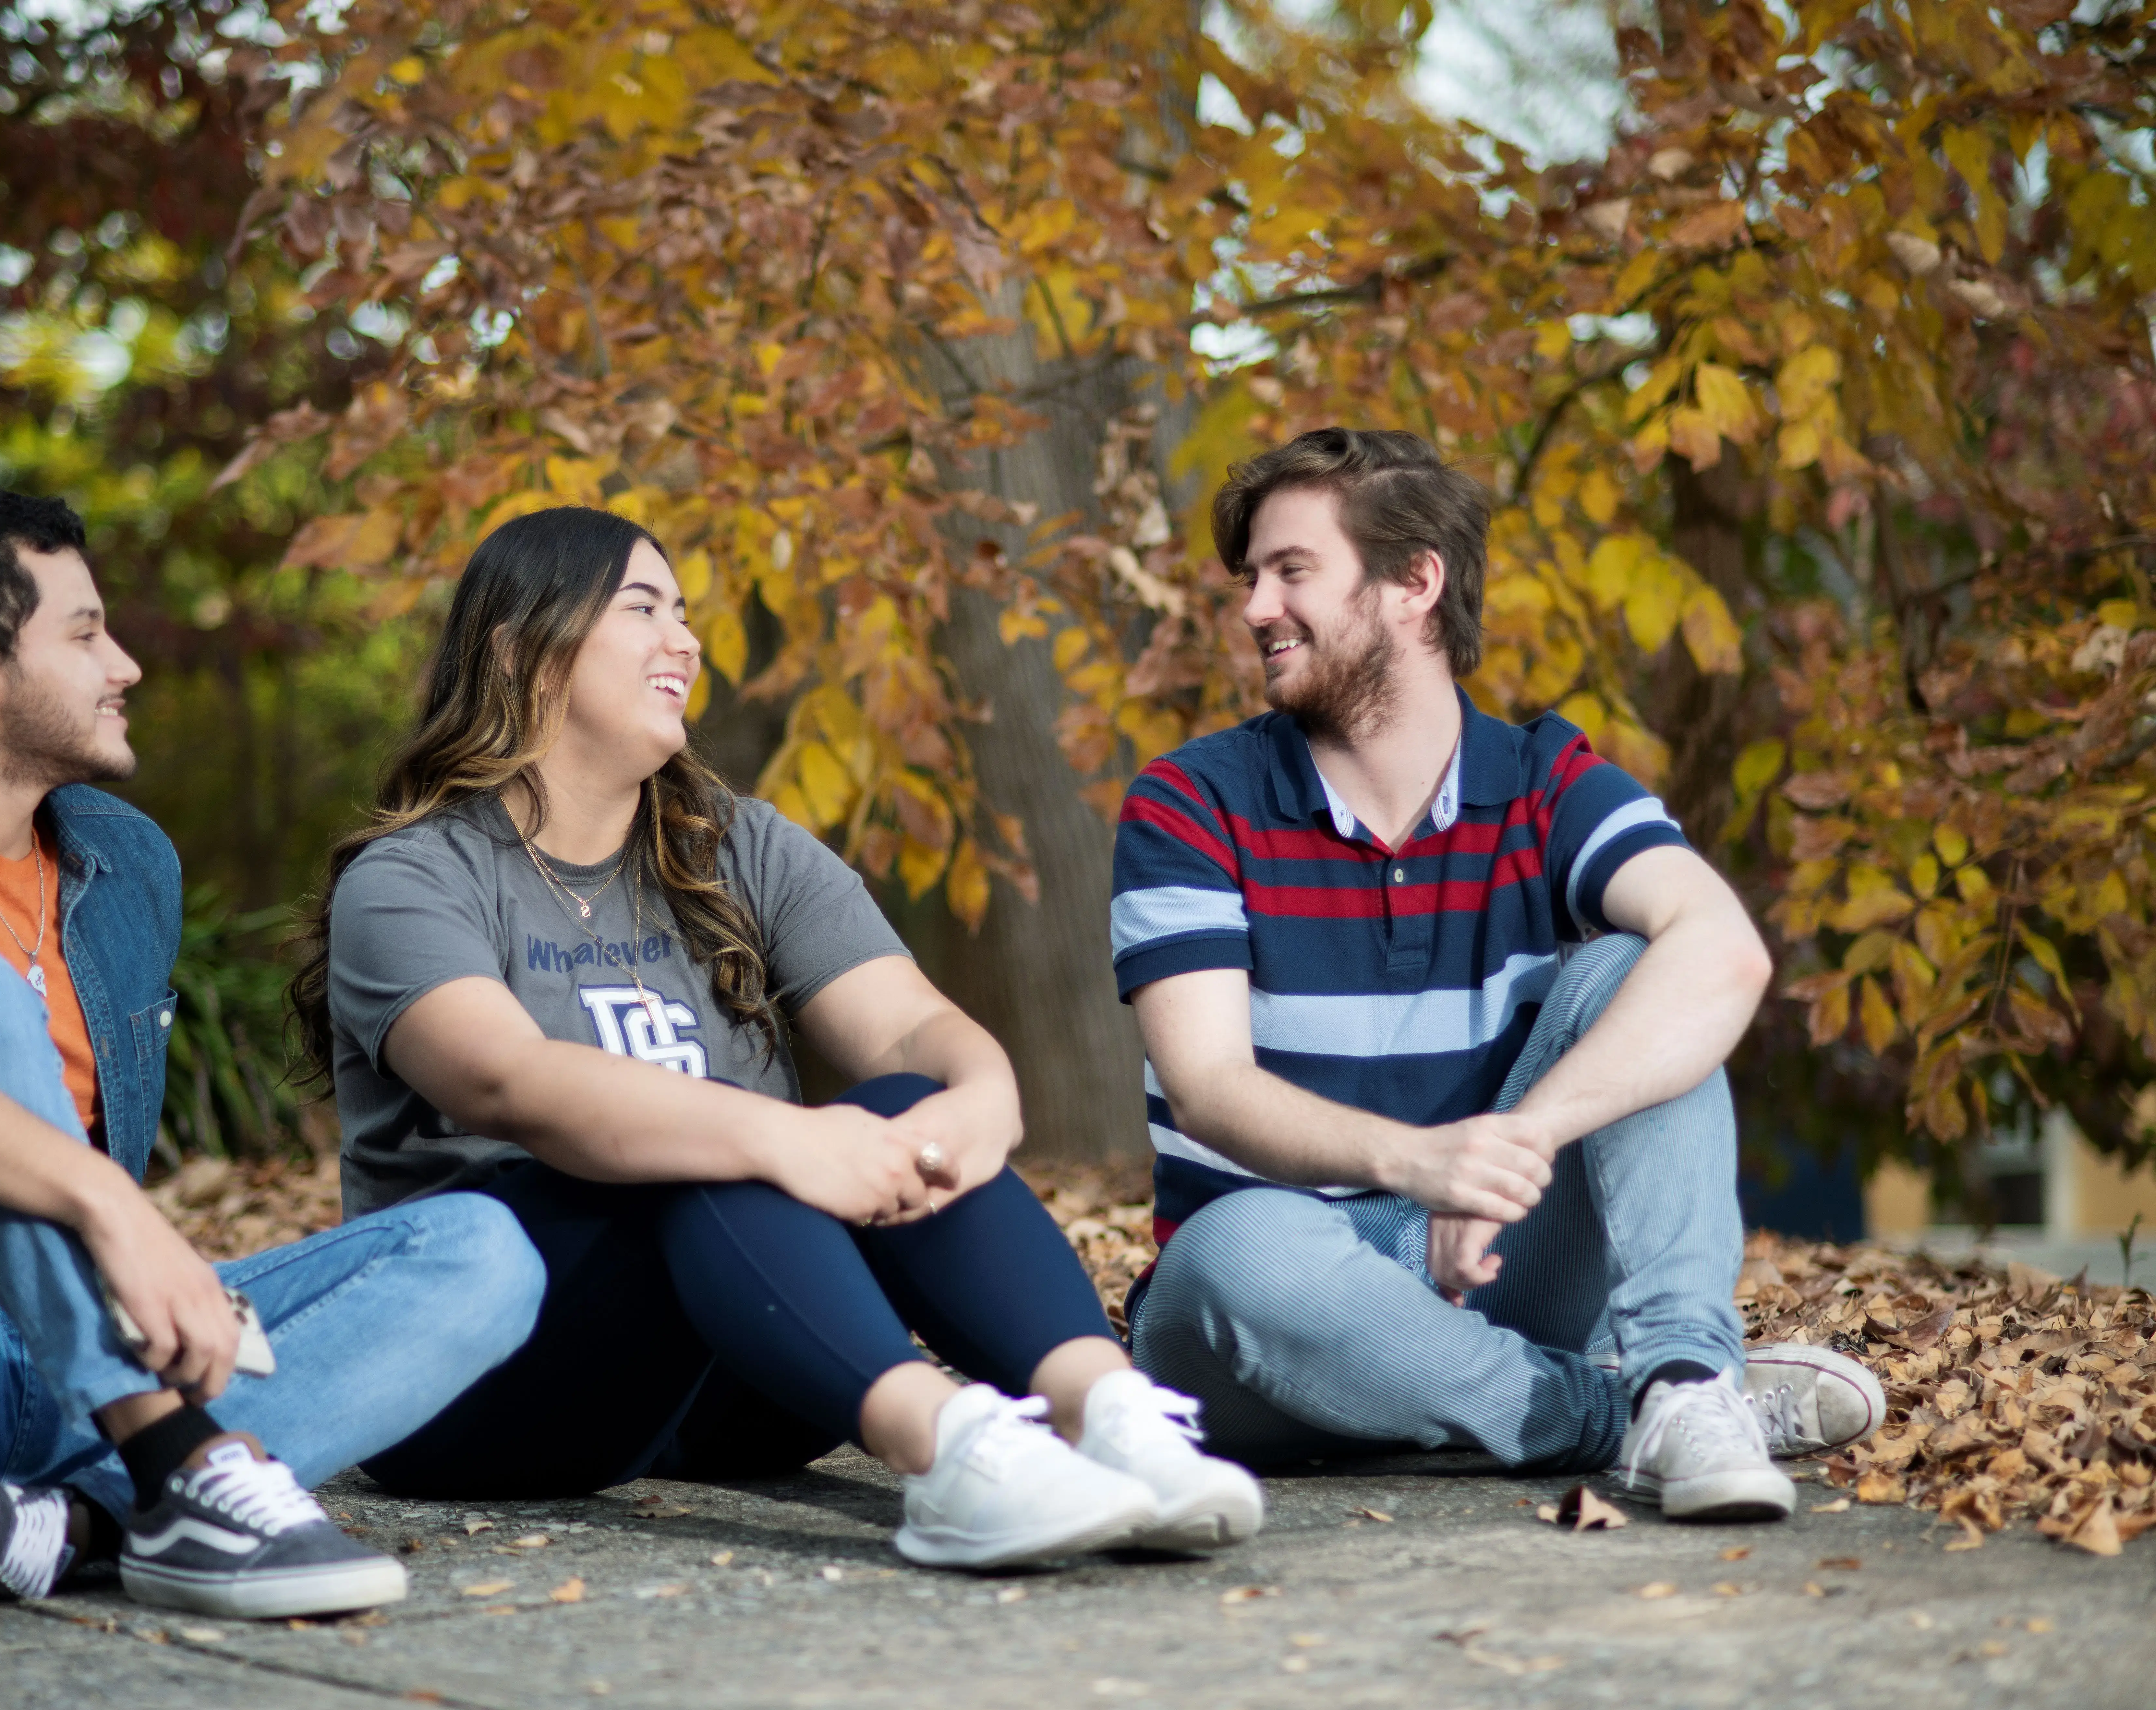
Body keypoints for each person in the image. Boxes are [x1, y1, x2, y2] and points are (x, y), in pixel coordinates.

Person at [296, 505, 1260, 1569]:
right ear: (524, 649)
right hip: (490, 1391)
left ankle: (1113, 1419)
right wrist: (781, 1141)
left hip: (749, 1362)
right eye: (643, 607)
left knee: (888, 1107)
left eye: (686, 613)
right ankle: (944, 1450)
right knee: (698, 1140)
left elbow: (912, 1029)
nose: (687, 641)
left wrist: (981, 1094)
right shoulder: (413, 878)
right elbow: (504, 1082)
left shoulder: (740, 848)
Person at [0, 490, 544, 1618]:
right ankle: (182, 1472)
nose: (125, 665)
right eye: (85, 634)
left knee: (484, 1254)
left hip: (51, 1399)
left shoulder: (125, 866)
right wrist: (111, 1205)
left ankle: (75, 1522)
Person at [1111, 430, 1884, 1521]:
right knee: (1236, 1252)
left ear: (1412, 583)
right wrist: (1424, 1166)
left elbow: (1724, 949)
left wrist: (1515, 1145)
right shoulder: (1191, 803)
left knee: (1638, 971)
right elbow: (1208, 1088)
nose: (1255, 608)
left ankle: (1679, 1371)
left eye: (1293, 571)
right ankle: (1640, 1413)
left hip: (1493, 1266)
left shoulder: (1544, 779)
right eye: (1253, 579)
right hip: (1257, 1313)